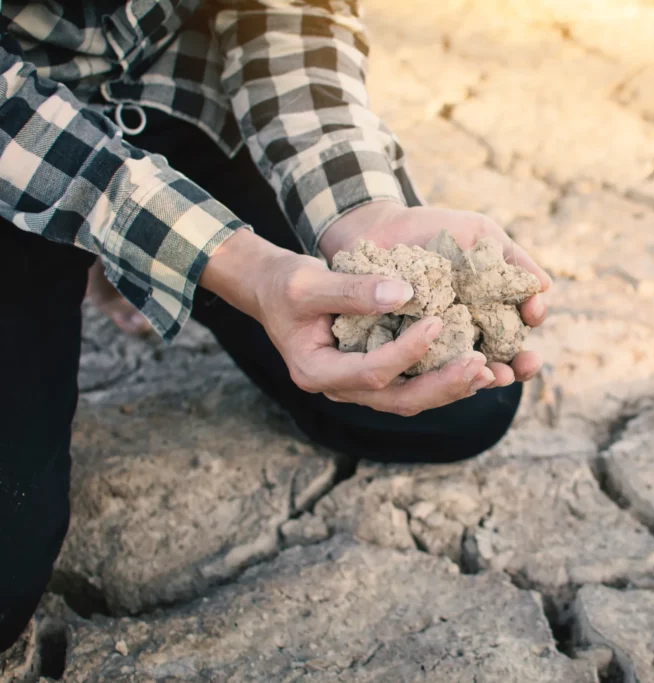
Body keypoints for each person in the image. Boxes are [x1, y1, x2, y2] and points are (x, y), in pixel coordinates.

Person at [0, 0, 550, 653]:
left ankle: (117, 261)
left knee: (463, 398)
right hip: (18, 132)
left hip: (169, 80)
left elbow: (290, 11)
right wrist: (236, 264)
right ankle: (86, 259)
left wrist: (361, 209)